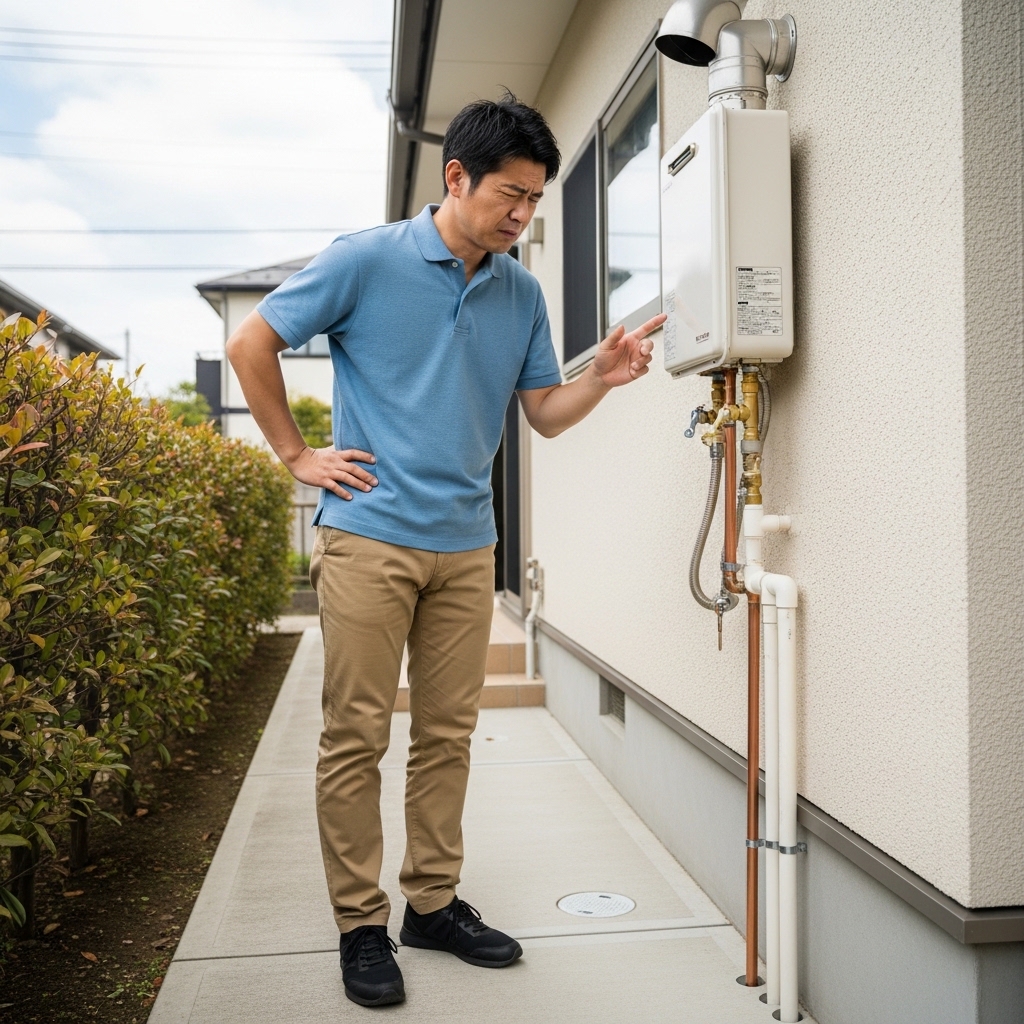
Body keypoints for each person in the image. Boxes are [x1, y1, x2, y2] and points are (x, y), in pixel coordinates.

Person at [226, 93, 664, 1009]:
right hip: (370, 541)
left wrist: (604, 379)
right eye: (511, 193)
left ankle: (432, 903)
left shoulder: (521, 291)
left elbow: (543, 414)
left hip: (468, 549)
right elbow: (251, 340)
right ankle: (359, 924)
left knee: (447, 737)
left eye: (537, 199)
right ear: (456, 177)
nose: (523, 214)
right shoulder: (367, 260)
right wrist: (296, 456)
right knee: (355, 736)